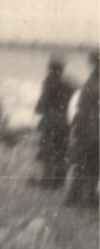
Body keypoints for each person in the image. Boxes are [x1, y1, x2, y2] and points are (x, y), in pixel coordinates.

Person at [34, 56, 75, 188]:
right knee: (61, 151)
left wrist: (38, 109)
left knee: (48, 152)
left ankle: (46, 181)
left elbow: (42, 105)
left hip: (51, 121)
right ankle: (59, 181)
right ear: (62, 69)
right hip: (64, 121)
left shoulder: (48, 82)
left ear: (51, 68)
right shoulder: (69, 83)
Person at [67, 51, 99, 207]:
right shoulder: (96, 83)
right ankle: (88, 198)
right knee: (93, 165)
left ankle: (73, 197)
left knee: (82, 164)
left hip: (84, 127)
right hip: (93, 131)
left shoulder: (90, 82)